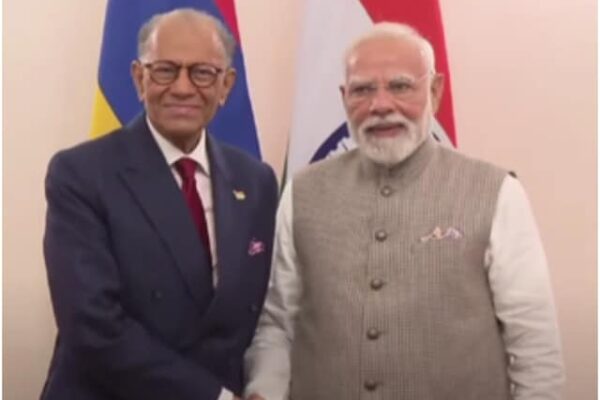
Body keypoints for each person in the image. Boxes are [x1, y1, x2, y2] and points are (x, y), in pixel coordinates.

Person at [243, 22, 564, 400]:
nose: (380, 105)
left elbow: (533, 343)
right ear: (345, 98)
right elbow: (277, 324)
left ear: (435, 91)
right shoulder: (303, 192)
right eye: (363, 90)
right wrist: (264, 390)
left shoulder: (496, 192)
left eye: (400, 86)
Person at [41, 8, 278, 400]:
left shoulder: (255, 181)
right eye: (165, 70)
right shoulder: (81, 174)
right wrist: (214, 397)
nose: (183, 88)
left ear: (226, 85)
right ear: (139, 78)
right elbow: (93, 326)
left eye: (202, 73)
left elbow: (250, 315)